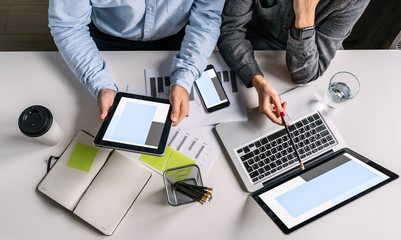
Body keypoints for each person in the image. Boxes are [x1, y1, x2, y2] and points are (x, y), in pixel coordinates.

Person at [48, 1, 225, 126]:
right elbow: (68, 27)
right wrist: (100, 85)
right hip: (106, 36)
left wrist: (185, 78)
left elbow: (206, 18)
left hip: (176, 35)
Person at [217, 0, 370, 125]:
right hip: (257, 47)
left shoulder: (352, 2)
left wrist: (304, 17)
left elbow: (305, 75)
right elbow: (230, 30)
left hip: (314, 57)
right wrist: (258, 81)